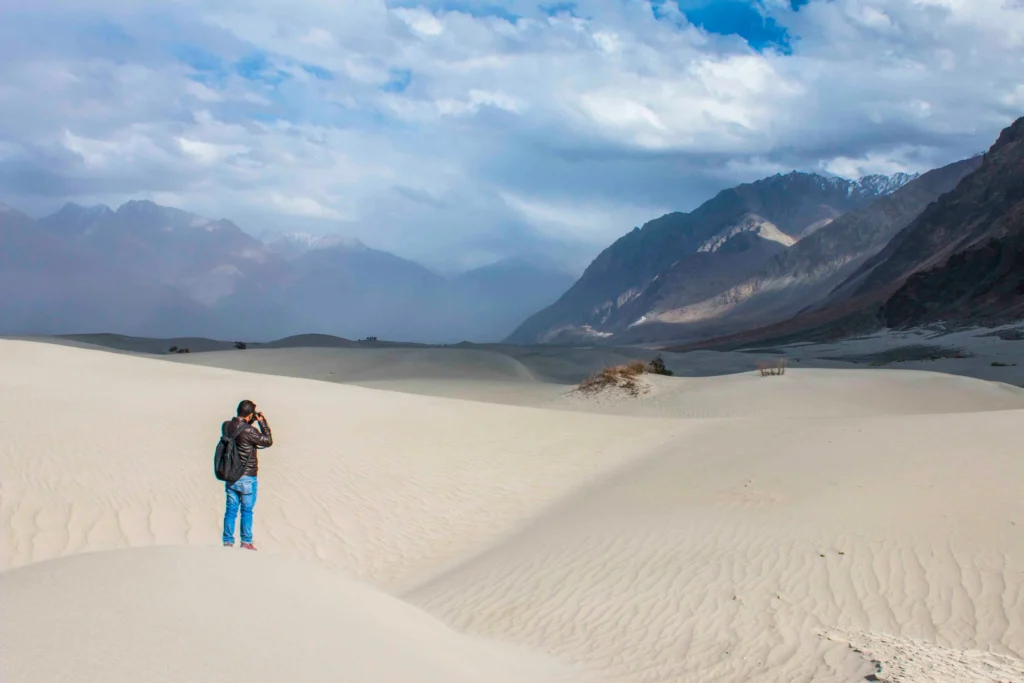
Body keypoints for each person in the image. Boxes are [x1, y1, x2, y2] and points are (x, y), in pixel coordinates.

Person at [222, 399, 273, 550]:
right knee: (246, 510)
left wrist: (249, 421)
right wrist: (262, 423)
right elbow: (267, 441)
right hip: (247, 476)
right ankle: (246, 542)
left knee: (231, 510)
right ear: (250, 415)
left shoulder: (226, 426)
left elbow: (240, 433)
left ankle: (227, 541)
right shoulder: (250, 431)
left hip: (231, 475)